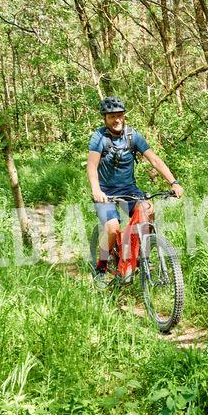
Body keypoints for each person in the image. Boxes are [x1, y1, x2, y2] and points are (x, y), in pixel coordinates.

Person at [88, 96, 184, 285]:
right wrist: (96, 190)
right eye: (112, 117)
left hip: (129, 189)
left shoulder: (132, 136)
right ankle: (101, 266)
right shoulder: (99, 137)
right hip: (106, 192)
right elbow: (92, 166)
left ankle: (133, 254)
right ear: (105, 119)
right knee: (112, 228)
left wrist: (174, 182)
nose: (117, 120)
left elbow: (154, 160)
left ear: (124, 116)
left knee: (148, 210)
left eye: (120, 116)